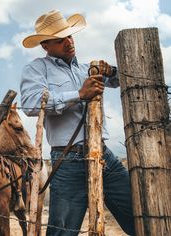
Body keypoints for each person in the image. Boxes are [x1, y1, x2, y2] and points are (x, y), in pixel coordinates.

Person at [20, 9, 135, 236]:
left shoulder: (86, 69)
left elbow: (125, 78)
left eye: (70, 36)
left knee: (139, 215)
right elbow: (31, 104)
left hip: (103, 154)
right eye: (60, 40)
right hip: (67, 159)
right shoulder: (37, 69)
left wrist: (110, 70)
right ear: (45, 46)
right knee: (62, 232)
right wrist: (78, 95)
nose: (69, 42)